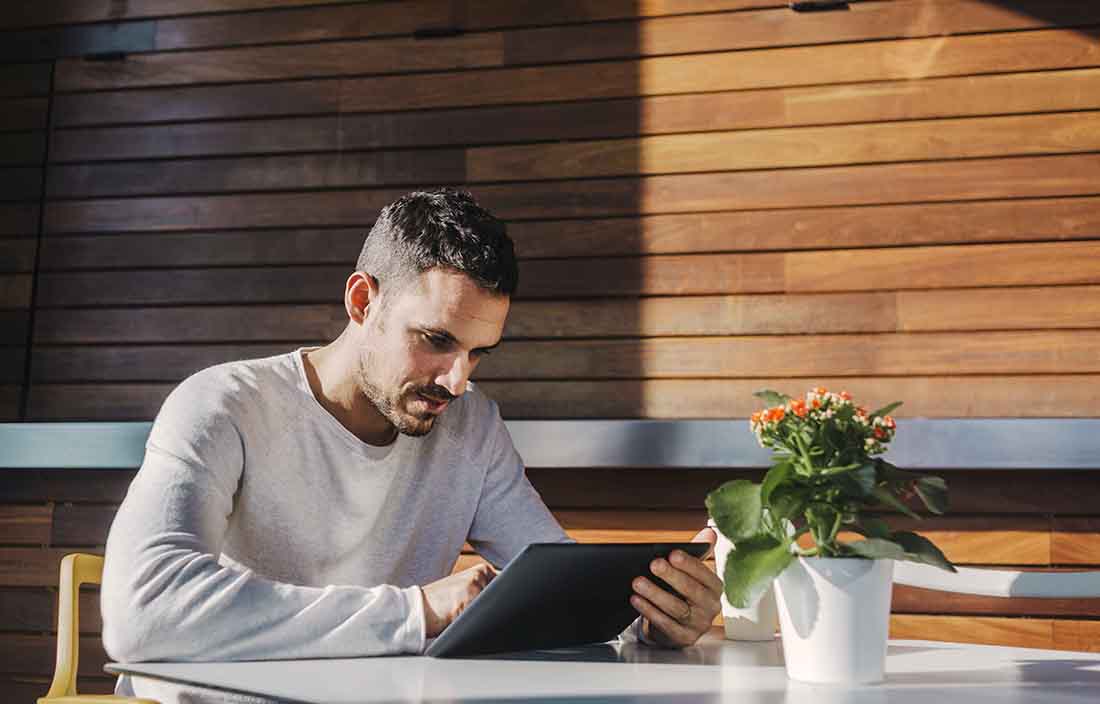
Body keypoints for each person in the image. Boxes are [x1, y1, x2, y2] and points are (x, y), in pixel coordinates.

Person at [101, 189, 722, 701]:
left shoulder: (472, 426)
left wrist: (654, 616)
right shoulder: (223, 404)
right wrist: (416, 613)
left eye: (479, 353)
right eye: (437, 340)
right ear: (362, 301)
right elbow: (143, 616)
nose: (458, 380)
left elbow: (554, 587)